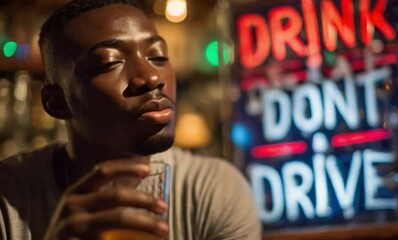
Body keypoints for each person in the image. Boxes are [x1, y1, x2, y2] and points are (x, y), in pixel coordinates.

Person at [0, 0, 262, 239]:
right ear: (57, 102)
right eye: (109, 63)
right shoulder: (9, 195)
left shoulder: (213, 189)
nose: (150, 78)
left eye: (157, 56)